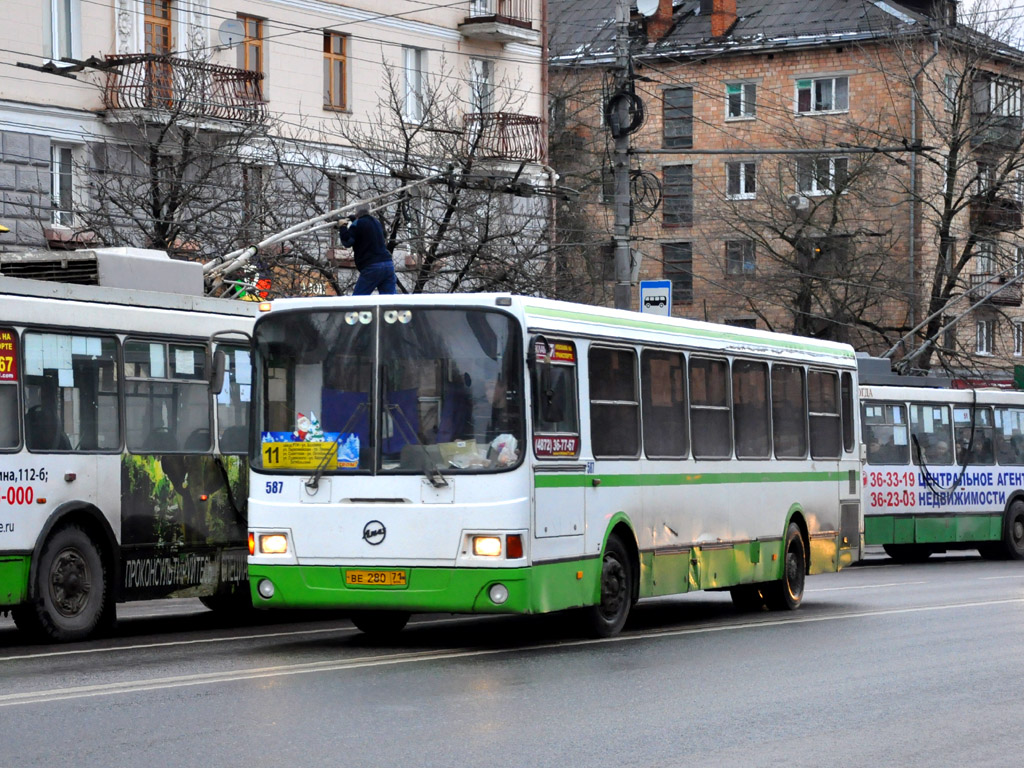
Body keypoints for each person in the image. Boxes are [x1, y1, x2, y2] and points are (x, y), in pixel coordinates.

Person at [339, 203, 397, 295]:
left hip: (372, 266)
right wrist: (354, 220)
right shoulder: (376, 222)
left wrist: (342, 227)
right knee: (390, 301)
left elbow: (347, 241)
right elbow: (374, 232)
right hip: (388, 265)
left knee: (358, 301)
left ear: (356, 213)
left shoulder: (357, 224)